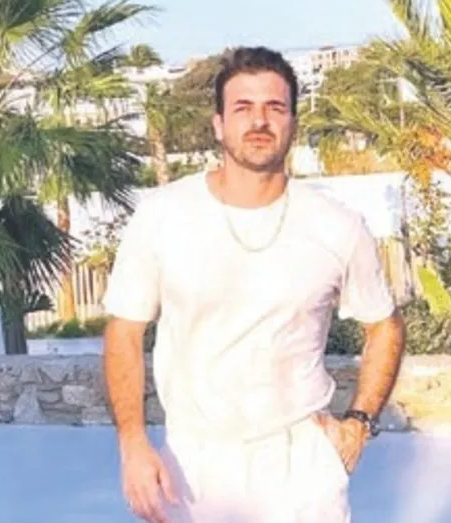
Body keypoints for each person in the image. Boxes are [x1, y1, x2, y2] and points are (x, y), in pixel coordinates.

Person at [102, 46, 406, 522]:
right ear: (219, 124)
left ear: (292, 124)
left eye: (275, 107)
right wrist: (133, 444)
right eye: (243, 107)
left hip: (300, 463)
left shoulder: (336, 226)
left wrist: (360, 422)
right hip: (193, 464)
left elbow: (384, 325)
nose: (259, 121)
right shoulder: (163, 216)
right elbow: (124, 331)